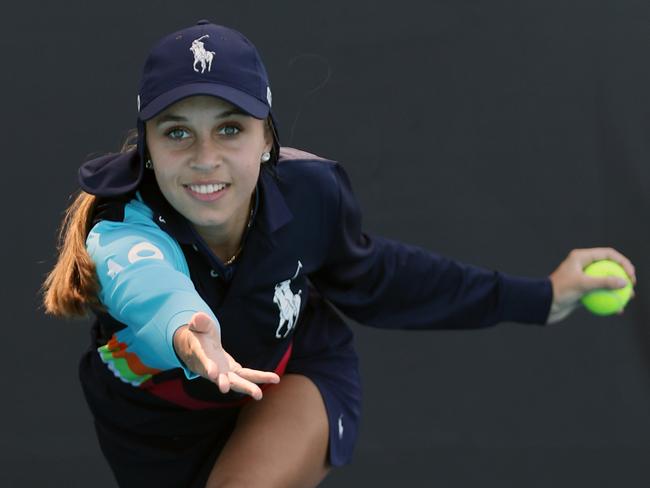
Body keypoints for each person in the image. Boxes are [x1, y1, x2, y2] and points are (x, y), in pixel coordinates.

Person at [42, 20, 637, 488]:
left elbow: (382, 278)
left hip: (292, 377)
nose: (205, 157)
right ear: (145, 145)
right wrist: (186, 332)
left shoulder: (311, 195)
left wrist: (543, 295)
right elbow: (149, 289)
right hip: (153, 431)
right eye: (176, 132)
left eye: (230, 129)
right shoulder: (120, 226)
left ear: (267, 137)